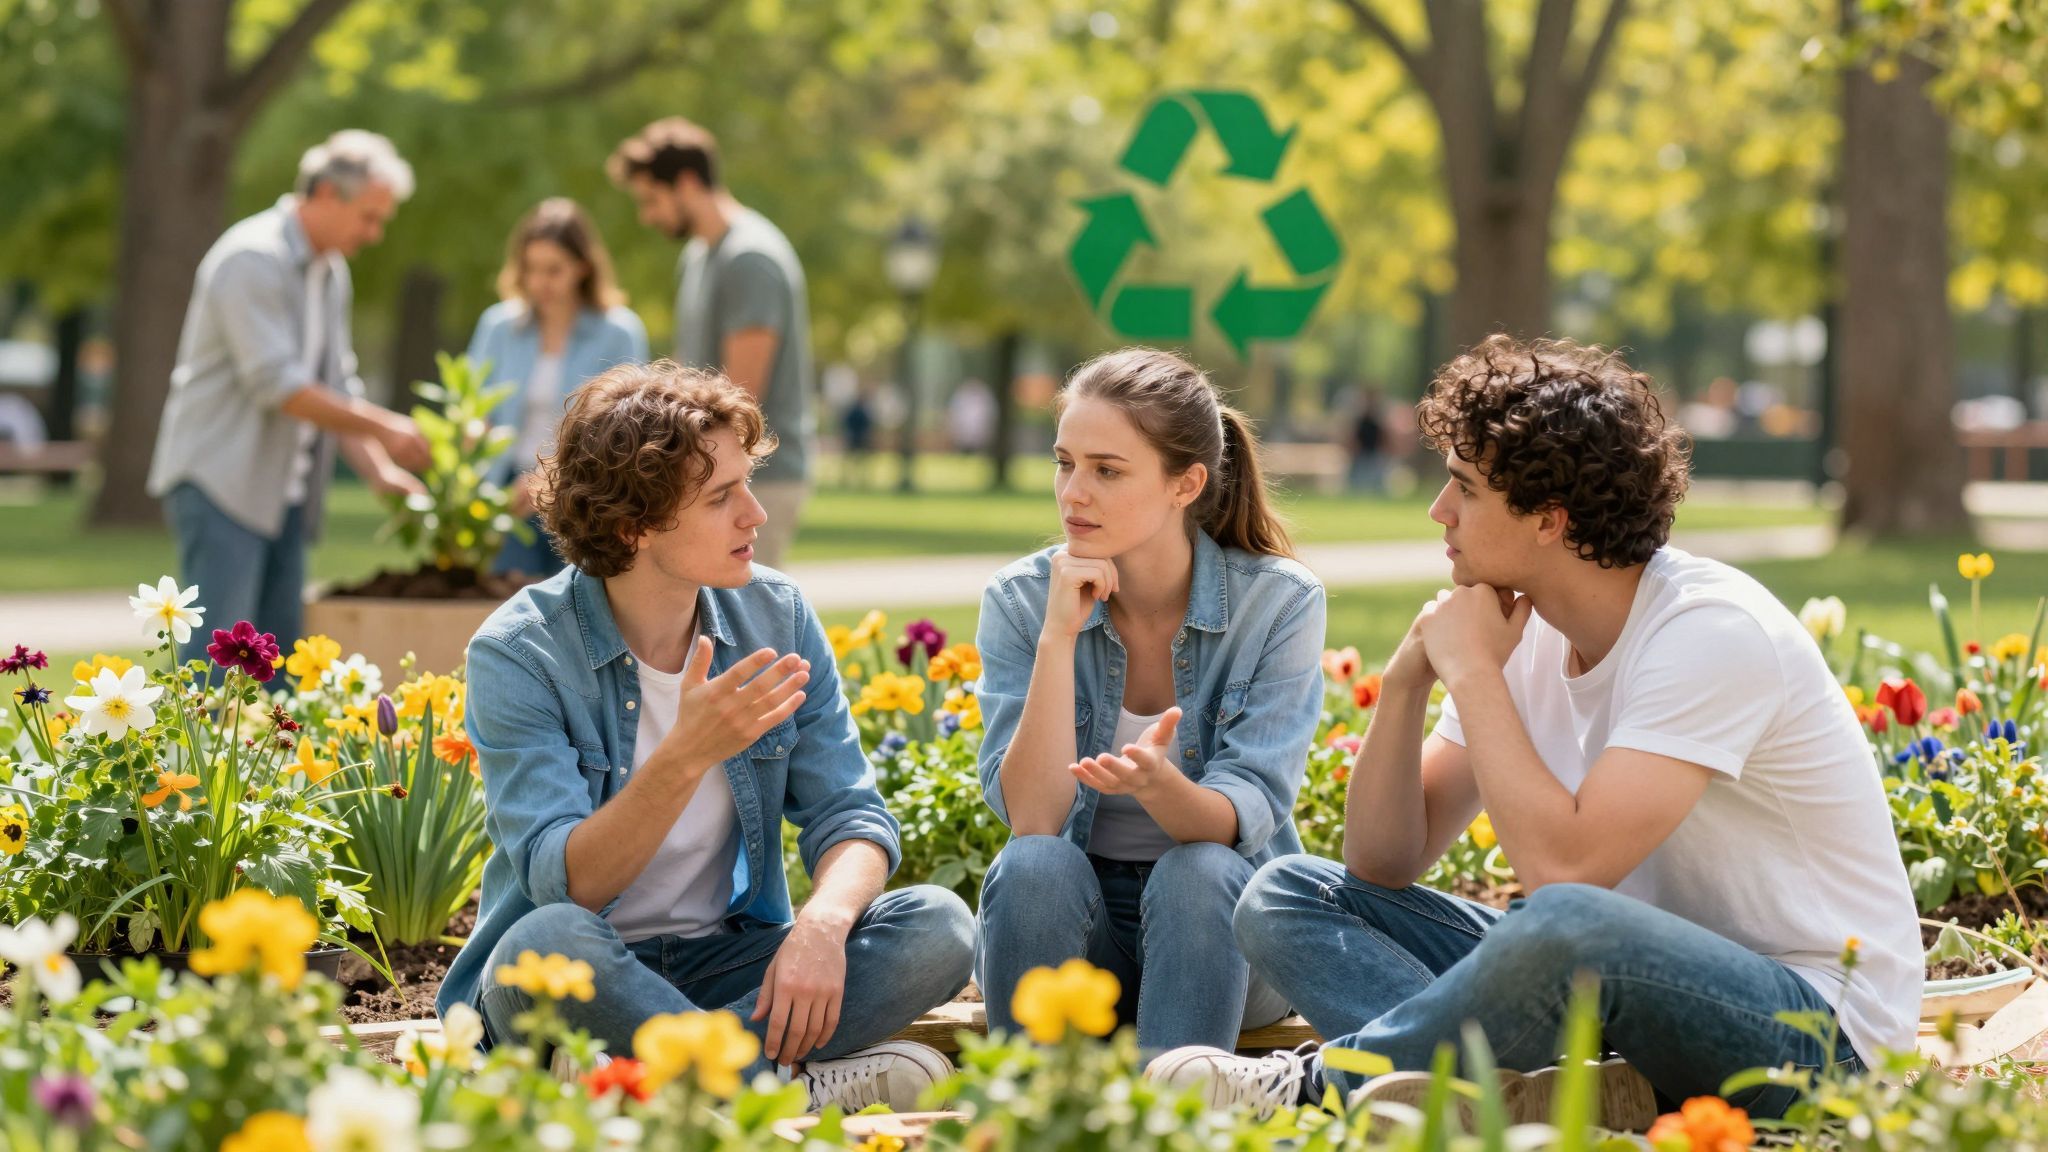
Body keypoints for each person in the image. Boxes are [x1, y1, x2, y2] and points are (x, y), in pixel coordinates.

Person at [1149, 337, 1921, 1127]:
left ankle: (1323, 1090)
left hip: (1819, 1036)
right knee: (1287, 892)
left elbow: (1564, 874)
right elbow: (1382, 860)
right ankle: (1516, 1098)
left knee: (1564, 921)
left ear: (1549, 519)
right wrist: (1411, 677)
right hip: (1631, 1009)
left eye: (1465, 490)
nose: (1437, 512)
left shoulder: (1709, 632)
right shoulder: (1527, 625)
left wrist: (1476, 674)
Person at [436, 361, 975, 1111]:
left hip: (725, 961)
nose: (755, 514)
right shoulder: (521, 653)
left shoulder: (776, 617)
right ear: (636, 525)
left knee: (941, 926)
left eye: (747, 483)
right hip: (580, 971)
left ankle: (651, 1081)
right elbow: (571, 884)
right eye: (723, 496)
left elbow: (850, 816)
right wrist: (686, 753)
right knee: (544, 943)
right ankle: (779, 1091)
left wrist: (821, 924)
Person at [973, 347, 1325, 1057]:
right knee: (1033, 868)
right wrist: (1057, 637)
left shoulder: (1277, 604)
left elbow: (1238, 820)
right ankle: (1033, 1122)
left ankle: (1177, 1114)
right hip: (1077, 923)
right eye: (1064, 463)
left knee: (1201, 869)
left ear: (1185, 483)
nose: (1073, 493)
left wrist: (1164, 790)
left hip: (1228, 932)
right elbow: (1034, 820)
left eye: (1106, 470)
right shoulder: (1020, 600)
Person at [147, 130, 430, 661]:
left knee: (274, 665)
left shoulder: (330, 271)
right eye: (369, 216)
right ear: (326, 193)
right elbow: (278, 387)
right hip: (221, 483)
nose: (375, 233)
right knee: (218, 666)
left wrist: (377, 470)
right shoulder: (252, 258)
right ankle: (193, 751)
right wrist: (385, 427)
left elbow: (336, 383)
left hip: (282, 492)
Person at [609, 117, 814, 568]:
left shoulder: (750, 258)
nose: (647, 216)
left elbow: (739, 396)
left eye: (651, 199)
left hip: (757, 476)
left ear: (685, 182)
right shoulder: (700, 255)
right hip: (709, 471)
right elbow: (691, 372)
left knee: (748, 619)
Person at [468, 198, 649, 578]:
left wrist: (547, 477)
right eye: (530, 269)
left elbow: (625, 427)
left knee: (582, 609)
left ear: (583, 268)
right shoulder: (499, 327)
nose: (539, 283)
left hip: (585, 498)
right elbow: (473, 406)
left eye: (553, 270)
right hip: (508, 496)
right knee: (514, 609)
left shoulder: (619, 333)